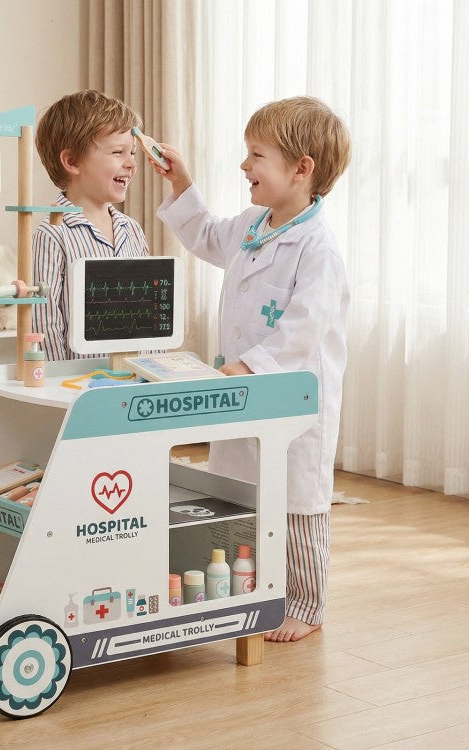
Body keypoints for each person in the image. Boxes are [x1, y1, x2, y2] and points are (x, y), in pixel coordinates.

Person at [154, 96, 351, 642]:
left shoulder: (318, 248)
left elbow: (303, 329)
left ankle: (306, 604)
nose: (245, 165)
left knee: (296, 503)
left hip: (291, 400)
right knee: (241, 491)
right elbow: (205, 234)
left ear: (301, 168)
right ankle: (252, 584)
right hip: (245, 391)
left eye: (257, 155)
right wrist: (181, 183)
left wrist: (247, 366)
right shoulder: (252, 224)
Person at [32, 90, 150, 360]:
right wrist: (57, 378)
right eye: (118, 152)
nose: (131, 164)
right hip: (78, 380)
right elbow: (45, 320)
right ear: (72, 161)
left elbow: (147, 312)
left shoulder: (132, 230)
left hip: (134, 376)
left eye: (132, 153)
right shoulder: (52, 234)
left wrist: (155, 371)